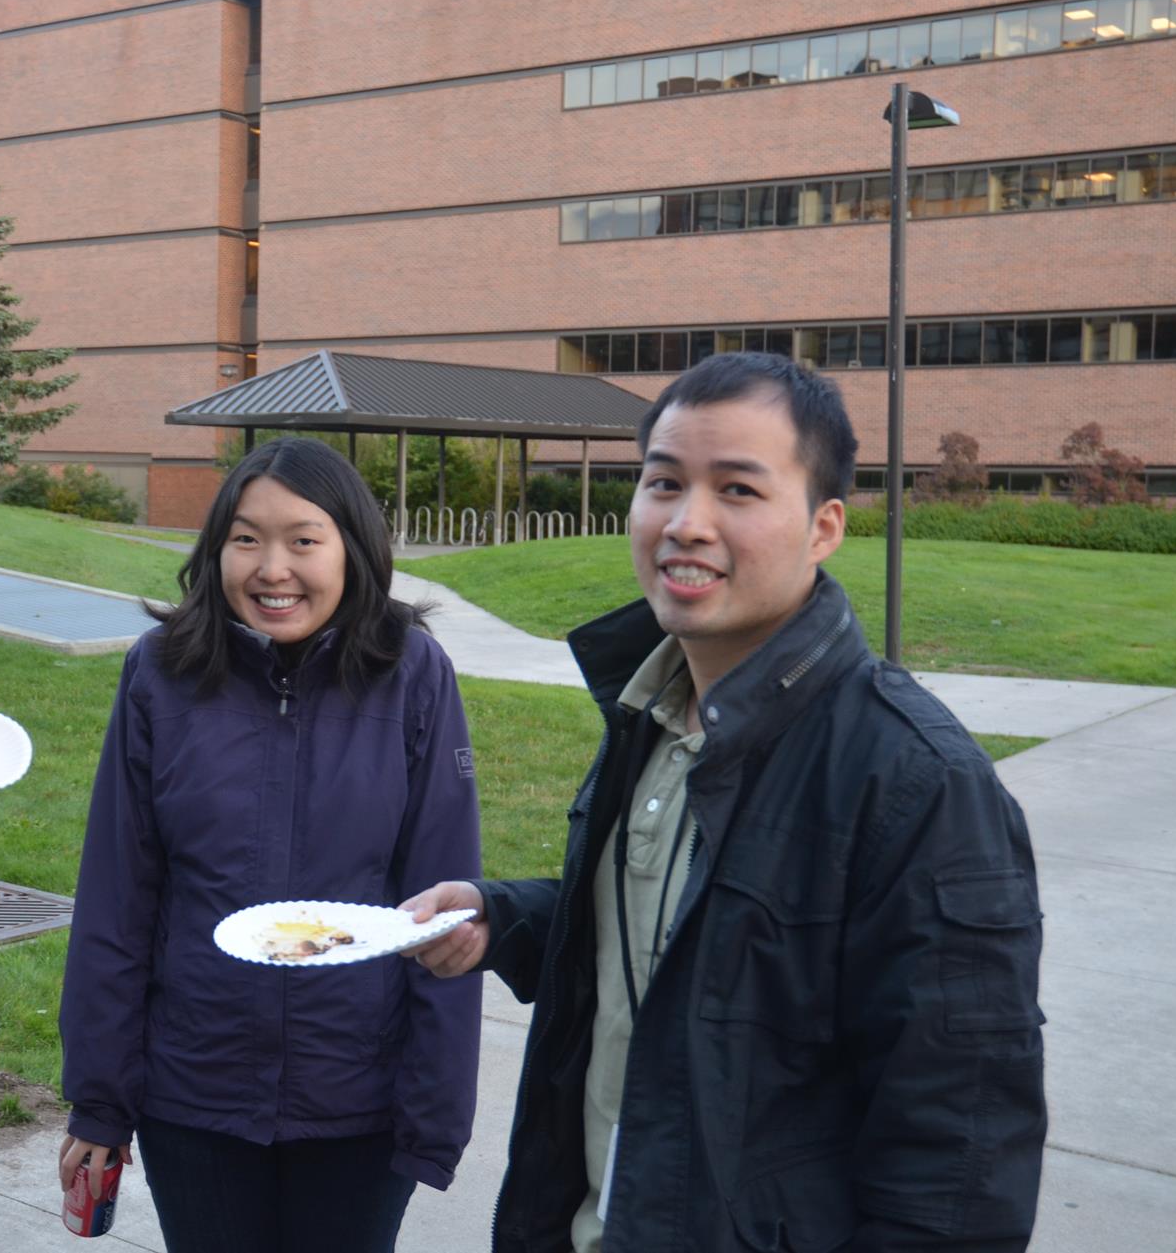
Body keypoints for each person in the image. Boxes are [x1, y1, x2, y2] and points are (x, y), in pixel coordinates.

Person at [403, 352, 1046, 1252]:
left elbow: (957, 1170)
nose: (685, 523)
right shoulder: (654, 711)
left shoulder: (920, 783)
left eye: (737, 489)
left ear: (823, 526)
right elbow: (692, 942)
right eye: (663, 482)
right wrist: (502, 915)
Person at [57, 437, 483, 1253]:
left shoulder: (412, 671)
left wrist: (432, 1115)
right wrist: (101, 1099)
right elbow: (117, 893)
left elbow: (443, 905)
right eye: (246, 538)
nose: (271, 568)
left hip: (358, 1099)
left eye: (303, 539)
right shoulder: (160, 671)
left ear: (352, 549)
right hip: (195, 1095)